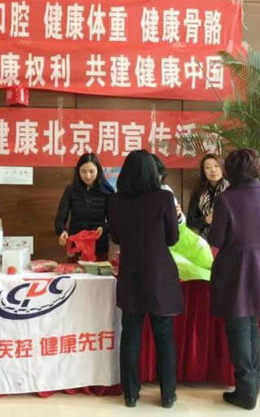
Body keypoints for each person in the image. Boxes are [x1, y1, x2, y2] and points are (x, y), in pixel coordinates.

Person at [208, 149, 260, 410]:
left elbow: (216, 239)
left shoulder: (226, 199)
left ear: (229, 171)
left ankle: (246, 390)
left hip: (236, 268)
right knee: (253, 325)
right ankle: (251, 386)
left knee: (239, 327)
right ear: (258, 168)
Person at [108, 149, 182, 409]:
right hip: (160, 274)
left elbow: (115, 237)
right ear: (153, 172)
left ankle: (130, 394)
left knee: (130, 335)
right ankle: (168, 395)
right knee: (164, 337)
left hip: (130, 273)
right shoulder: (164, 198)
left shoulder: (115, 201)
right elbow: (173, 238)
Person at [54, 153, 114, 261]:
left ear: (98, 171)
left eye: (91, 171)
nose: (88, 176)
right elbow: (61, 217)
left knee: (98, 271)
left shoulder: (107, 191)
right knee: (75, 270)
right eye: (84, 171)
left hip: (98, 243)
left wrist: (104, 228)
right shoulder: (71, 190)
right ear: (78, 172)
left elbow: (113, 219)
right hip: (76, 242)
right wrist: (62, 231)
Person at [187, 154, 229, 237]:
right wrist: (206, 220)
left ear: (222, 168)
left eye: (216, 166)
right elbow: (190, 221)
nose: (213, 170)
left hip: (228, 238)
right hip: (205, 239)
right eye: (207, 167)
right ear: (204, 171)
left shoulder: (231, 190)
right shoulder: (198, 191)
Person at [152, 153, 184, 223]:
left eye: (160, 174)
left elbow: (181, 221)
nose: (158, 178)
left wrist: (178, 216)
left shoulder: (165, 190)